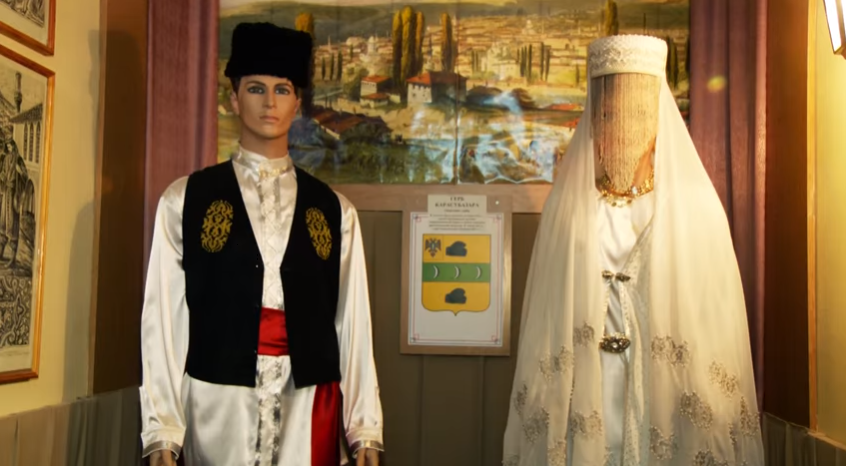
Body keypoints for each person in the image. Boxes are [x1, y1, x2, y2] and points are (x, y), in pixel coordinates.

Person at [502, 35, 764, 466]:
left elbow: (712, 321)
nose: (621, 128)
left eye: (637, 113)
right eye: (608, 114)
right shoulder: (570, 210)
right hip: (585, 399)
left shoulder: (693, 207)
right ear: (594, 120)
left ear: (657, 118)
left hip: (665, 399)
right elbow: (547, 323)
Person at [139, 22, 383, 466]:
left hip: (307, 406)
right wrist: (162, 430)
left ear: (297, 102)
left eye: (282, 89)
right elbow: (164, 323)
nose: (269, 102)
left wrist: (363, 425)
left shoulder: (335, 212)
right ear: (234, 98)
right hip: (217, 406)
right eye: (255, 88)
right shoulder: (185, 201)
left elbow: (352, 324)